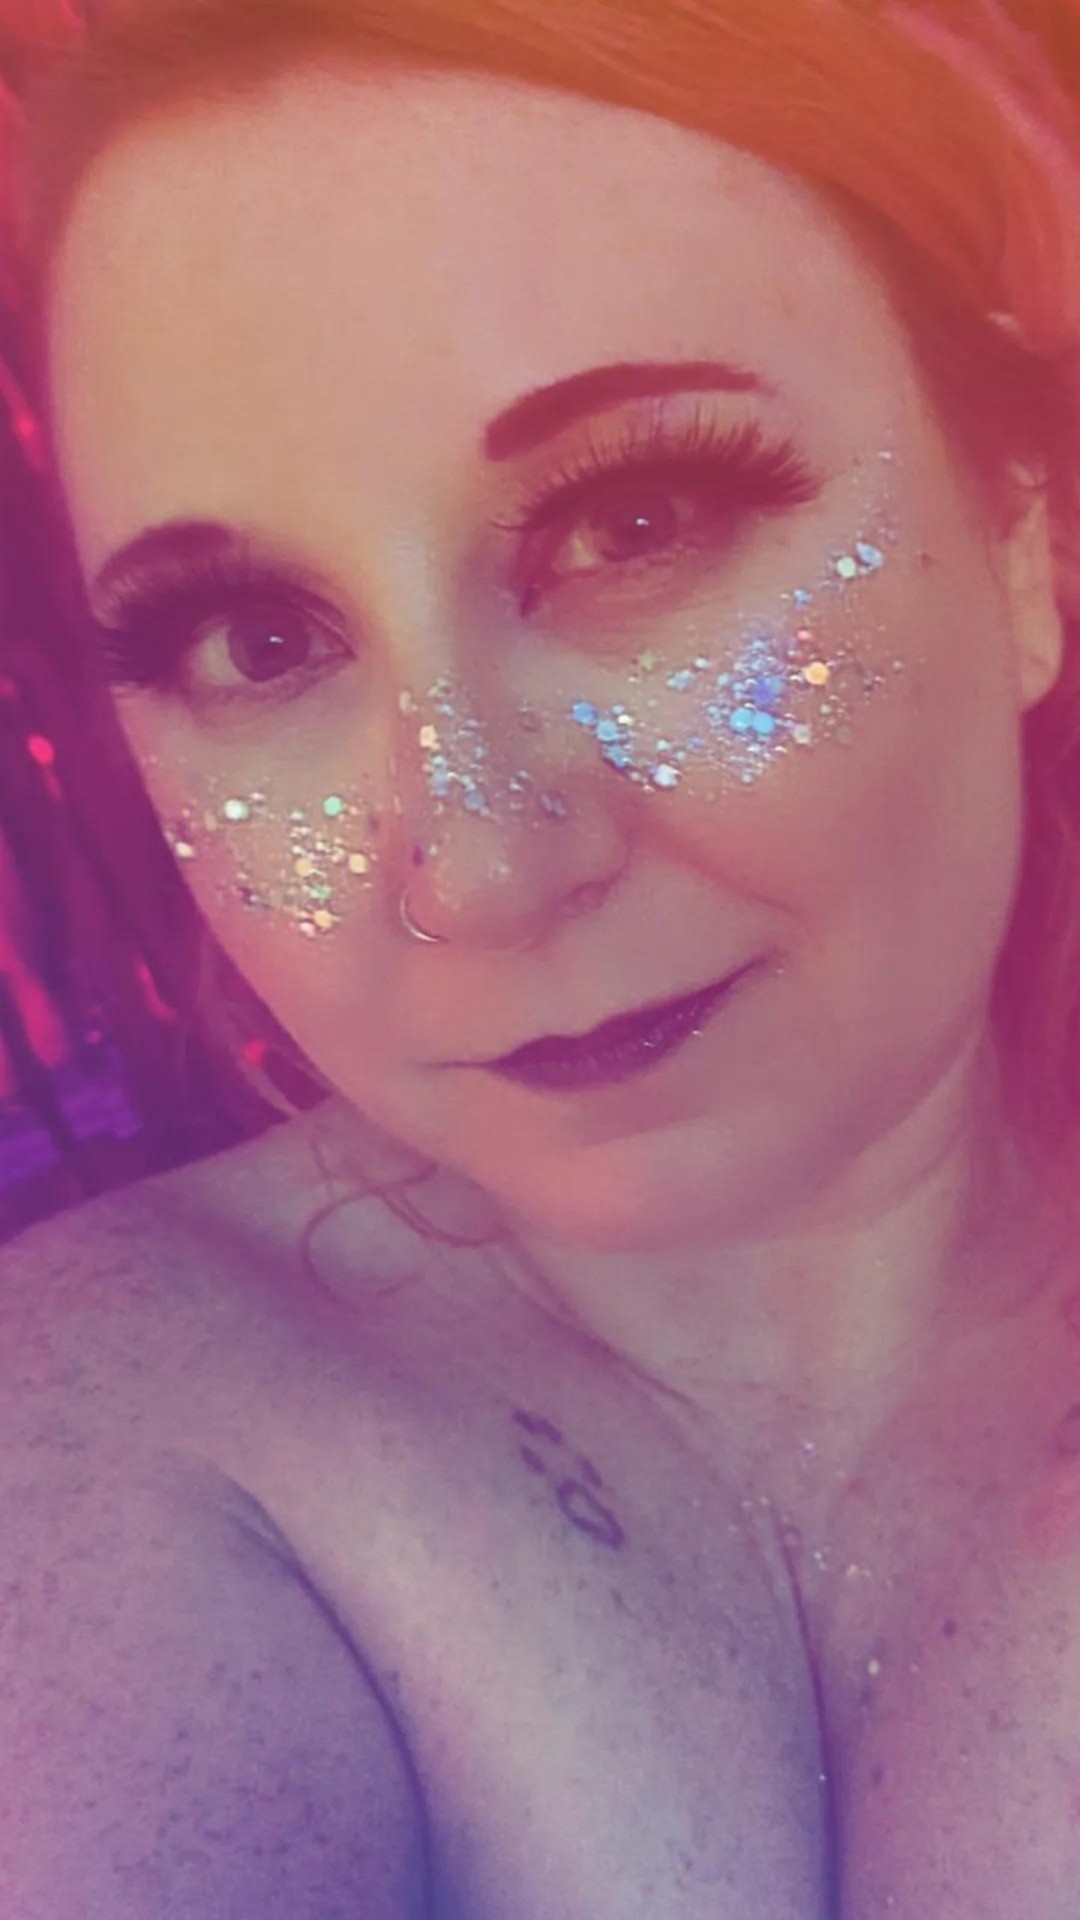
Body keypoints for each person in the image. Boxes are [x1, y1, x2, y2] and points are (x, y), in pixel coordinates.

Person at [1, 0, 1080, 1911]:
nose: (483, 870)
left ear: (1025, 544)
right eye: (258, 643)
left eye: (631, 523)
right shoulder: (104, 1427)